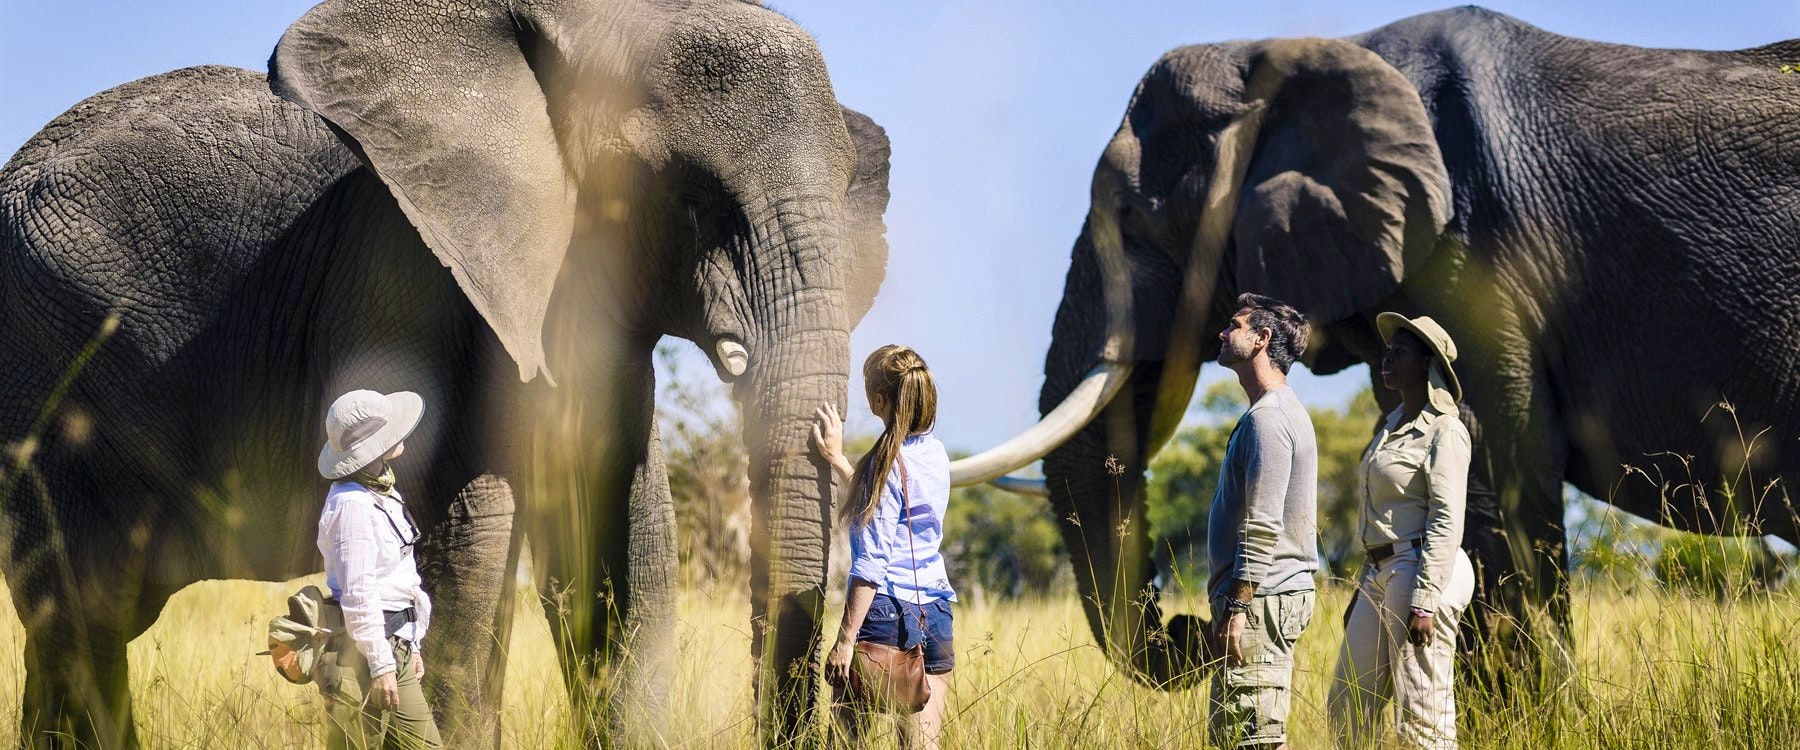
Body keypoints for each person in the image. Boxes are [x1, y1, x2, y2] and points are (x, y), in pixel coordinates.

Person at [1328, 313, 1478, 750]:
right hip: (1380, 573)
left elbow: (1447, 516)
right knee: (1347, 706)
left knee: (1421, 718)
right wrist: (1365, 581)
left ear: (1427, 365)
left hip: (1422, 570)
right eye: (1387, 349)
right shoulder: (1391, 426)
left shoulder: (1445, 430)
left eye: (1400, 351)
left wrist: (1426, 599)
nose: (1386, 356)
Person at [812, 345, 955, 749]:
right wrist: (840, 461)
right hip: (937, 612)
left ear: (879, 400)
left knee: (846, 739)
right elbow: (895, 501)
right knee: (922, 744)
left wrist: (845, 639)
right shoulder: (936, 454)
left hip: (884, 613)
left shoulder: (884, 464)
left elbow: (872, 563)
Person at [1207, 293, 1320, 750]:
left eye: (1233, 325)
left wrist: (1237, 607)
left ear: (1261, 339)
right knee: (1249, 733)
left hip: (1262, 597)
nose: (1223, 332)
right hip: (1264, 596)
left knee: (1251, 737)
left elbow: (1263, 522)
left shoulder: (1269, 419)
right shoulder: (1269, 413)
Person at [315, 389, 442, 749]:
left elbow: (397, 578)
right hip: (367, 653)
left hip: (392, 644)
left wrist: (411, 643)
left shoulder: (380, 489)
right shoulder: (352, 504)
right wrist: (381, 664)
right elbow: (358, 592)